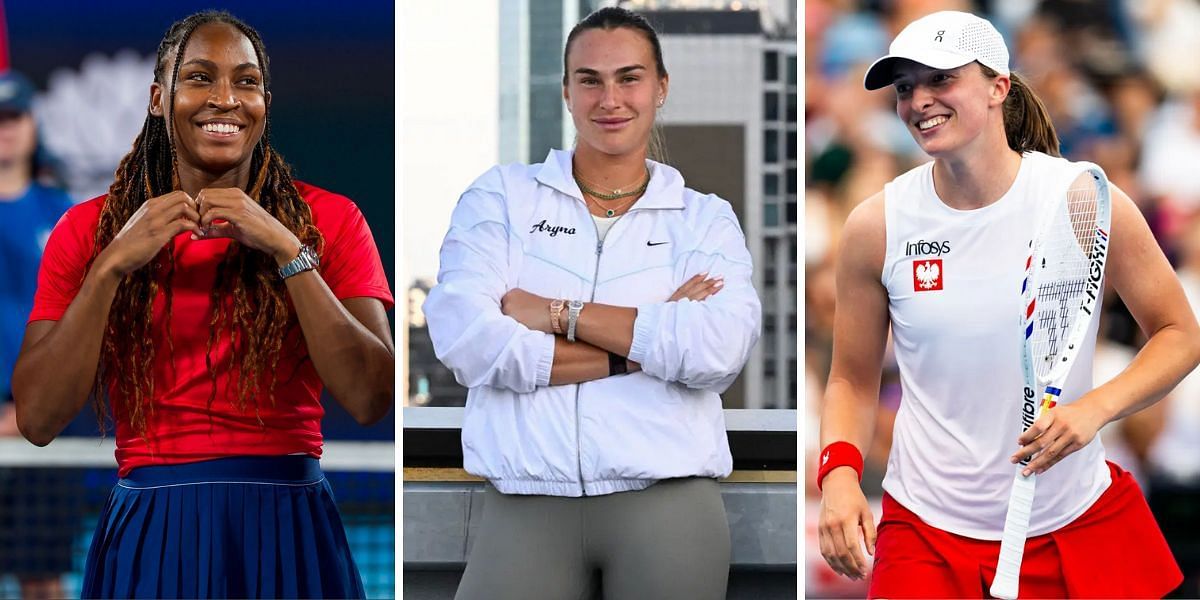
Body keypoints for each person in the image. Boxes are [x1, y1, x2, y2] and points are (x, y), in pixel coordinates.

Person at [10, 11, 394, 599]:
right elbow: (36, 420)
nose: (225, 99)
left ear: (265, 100)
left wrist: (288, 251)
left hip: (289, 525)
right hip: (150, 527)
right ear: (159, 98)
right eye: (199, 78)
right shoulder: (87, 231)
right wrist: (111, 265)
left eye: (245, 81)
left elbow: (372, 398)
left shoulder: (331, 222)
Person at [817, 10, 1200, 599]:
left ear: (999, 87)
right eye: (905, 88)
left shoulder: (1082, 200)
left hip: (1072, 520)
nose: (920, 100)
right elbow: (850, 376)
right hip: (925, 532)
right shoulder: (876, 224)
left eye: (940, 80)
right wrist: (839, 475)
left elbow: (1180, 332)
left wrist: (1093, 409)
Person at [423, 7, 760, 600]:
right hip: (525, 501)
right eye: (590, 79)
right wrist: (641, 347)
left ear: (661, 88)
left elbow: (718, 351)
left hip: (669, 501)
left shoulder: (704, 217)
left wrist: (558, 313)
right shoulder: (502, 197)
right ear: (566, 91)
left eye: (629, 78)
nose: (610, 98)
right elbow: (468, 343)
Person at [0, 69, 80, 600]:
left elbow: (81, 324)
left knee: (43, 579)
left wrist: (25, 413)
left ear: (32, 125)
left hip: (41, 425)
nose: (5, 129)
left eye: (14, 117)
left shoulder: (64, 215)